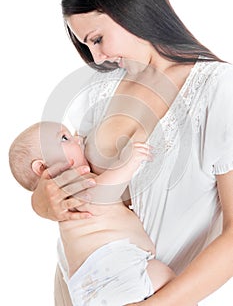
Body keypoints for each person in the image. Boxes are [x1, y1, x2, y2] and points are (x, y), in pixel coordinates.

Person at [30, 0, 233, 305]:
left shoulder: (218, 89)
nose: (96, 58)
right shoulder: (100, 92)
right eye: (86, 45)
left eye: (97, 39)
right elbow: (69, 187)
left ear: (131, 7)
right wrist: (43, 204)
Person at [9, 121, 175, 305]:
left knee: (165, 279)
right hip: (107, 273)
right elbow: (100, 194)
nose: (78, 140)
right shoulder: (67, 185)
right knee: (169, 281)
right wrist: (128, 162)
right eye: (64, 138)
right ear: (42, 168)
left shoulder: (67, 195)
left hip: (100, 279)